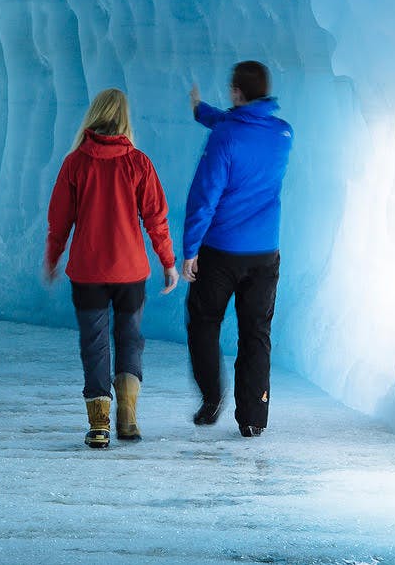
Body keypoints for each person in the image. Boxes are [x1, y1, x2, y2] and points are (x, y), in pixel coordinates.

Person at [45, 88, 180, 449]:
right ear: (124, 118)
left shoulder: (75, 163)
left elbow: (59, 220)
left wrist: (53, 256)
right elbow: (157, 219)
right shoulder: (138, 163)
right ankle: (128, 418)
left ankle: (99, 424)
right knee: (130, 340)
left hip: (87, 272)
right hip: (131, 272)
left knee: (94, 344)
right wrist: (168, 262)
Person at [182, 61, 293, 437]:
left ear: (235, 92)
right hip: (265, 254)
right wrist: (202, 112)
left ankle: (212, 396)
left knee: (203, 321)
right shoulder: (283, 134)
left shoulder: (225, 137)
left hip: (220, 252)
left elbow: (204, 197)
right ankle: (252, 420)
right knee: (256, 333)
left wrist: (189, 249)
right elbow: (240, 129)